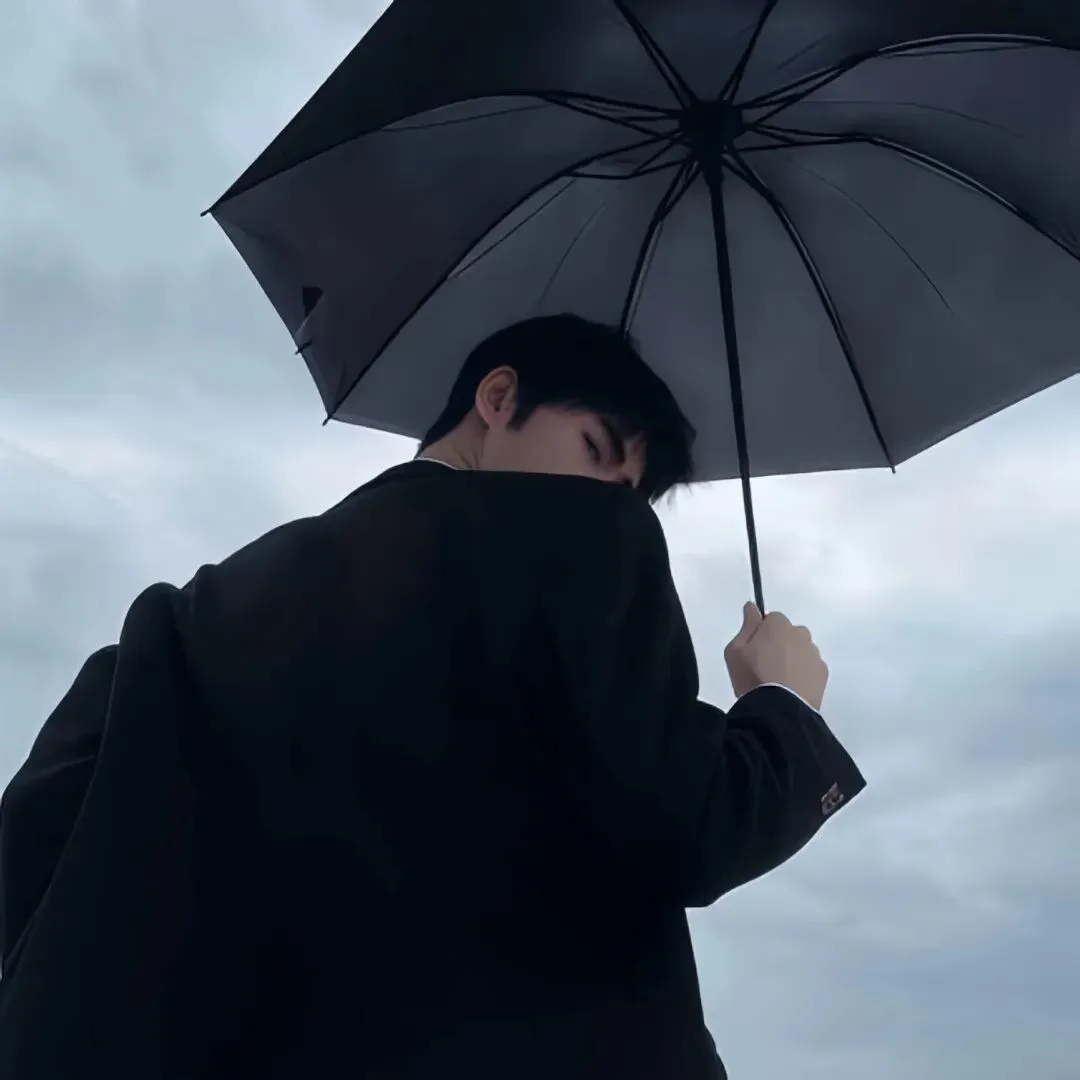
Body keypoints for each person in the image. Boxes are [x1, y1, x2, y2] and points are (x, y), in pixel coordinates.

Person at [0, 314, 864, 1079]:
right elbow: (688, 827)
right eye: (598, 452)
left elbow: (31, 849)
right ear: (499, 396)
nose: (608, 498)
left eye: (629, 492)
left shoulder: (185, 622)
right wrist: (782, 708)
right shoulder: (584, 543)